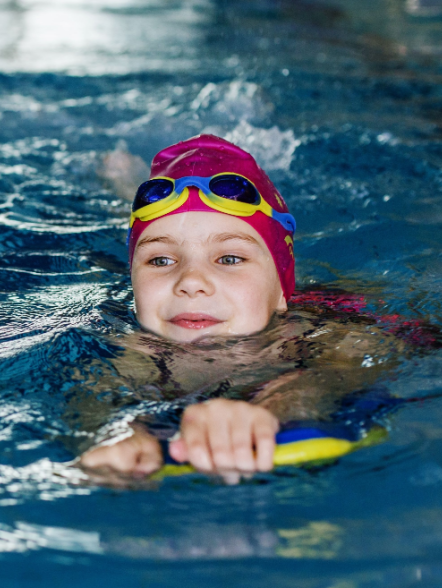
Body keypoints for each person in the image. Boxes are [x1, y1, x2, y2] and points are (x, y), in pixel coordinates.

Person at [74, 134, 400, 482]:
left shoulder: (324, 330)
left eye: (230, 258)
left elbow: (341, 372)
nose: (191, 281)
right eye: (160, 260)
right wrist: (118, 431)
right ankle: (124, 189)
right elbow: (95, 397)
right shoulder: (133, 349)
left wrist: (274, 410)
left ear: (280, 294)